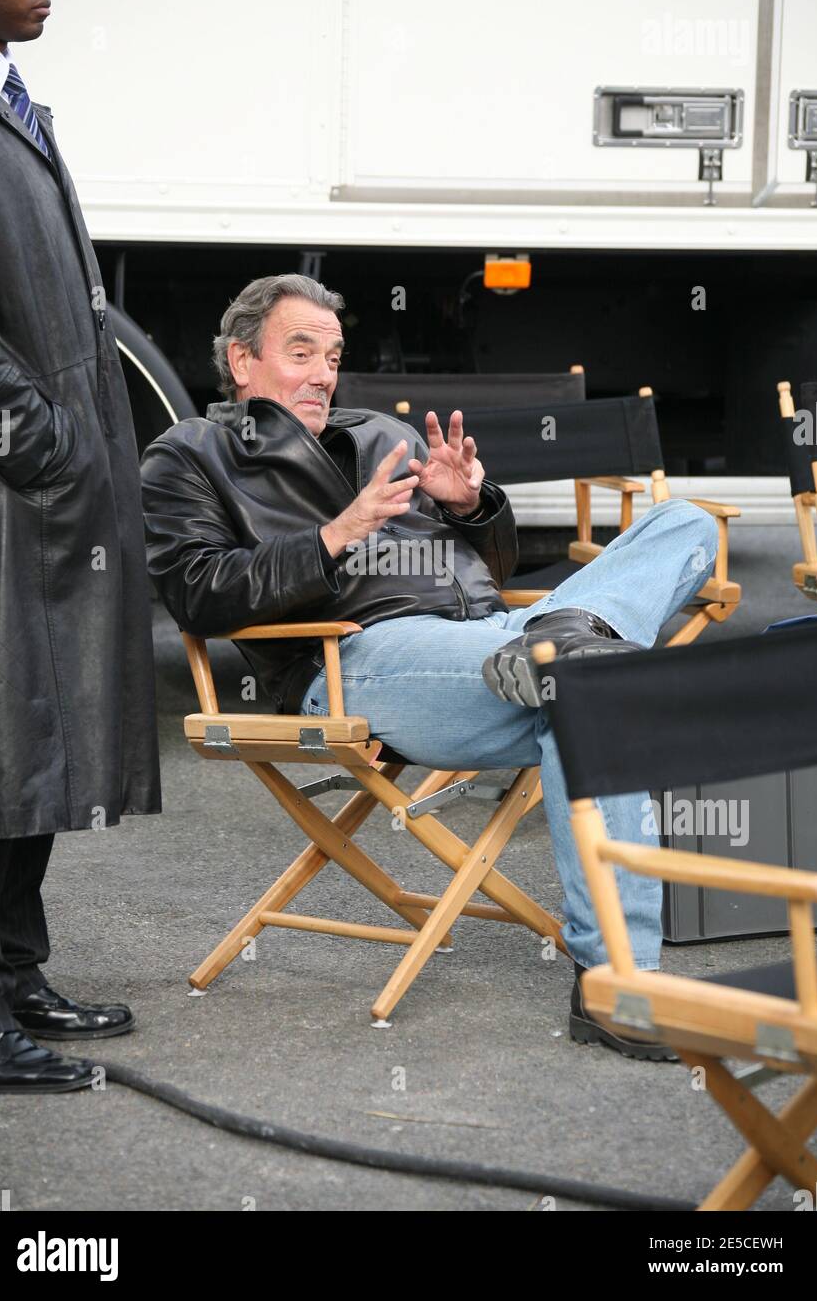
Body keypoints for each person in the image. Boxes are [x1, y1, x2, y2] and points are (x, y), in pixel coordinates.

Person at [141, 274, 719, 1059]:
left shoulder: (386, 434)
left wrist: (470, 508)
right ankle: (620, 979)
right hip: (357, 659)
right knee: (594, 685)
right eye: (300, 351)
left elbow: (493, 567)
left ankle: (566, 642)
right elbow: (198, 594)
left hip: (497, 633)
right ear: (242, 361)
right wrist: (333, 537)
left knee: (683, 523)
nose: (322, 372)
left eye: (332, 355)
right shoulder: (191, 455)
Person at [0, 0, 161, 1094]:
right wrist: (45, 443)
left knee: (35, 734)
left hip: (37, 484)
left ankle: (18, 967)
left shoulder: (9, 96)